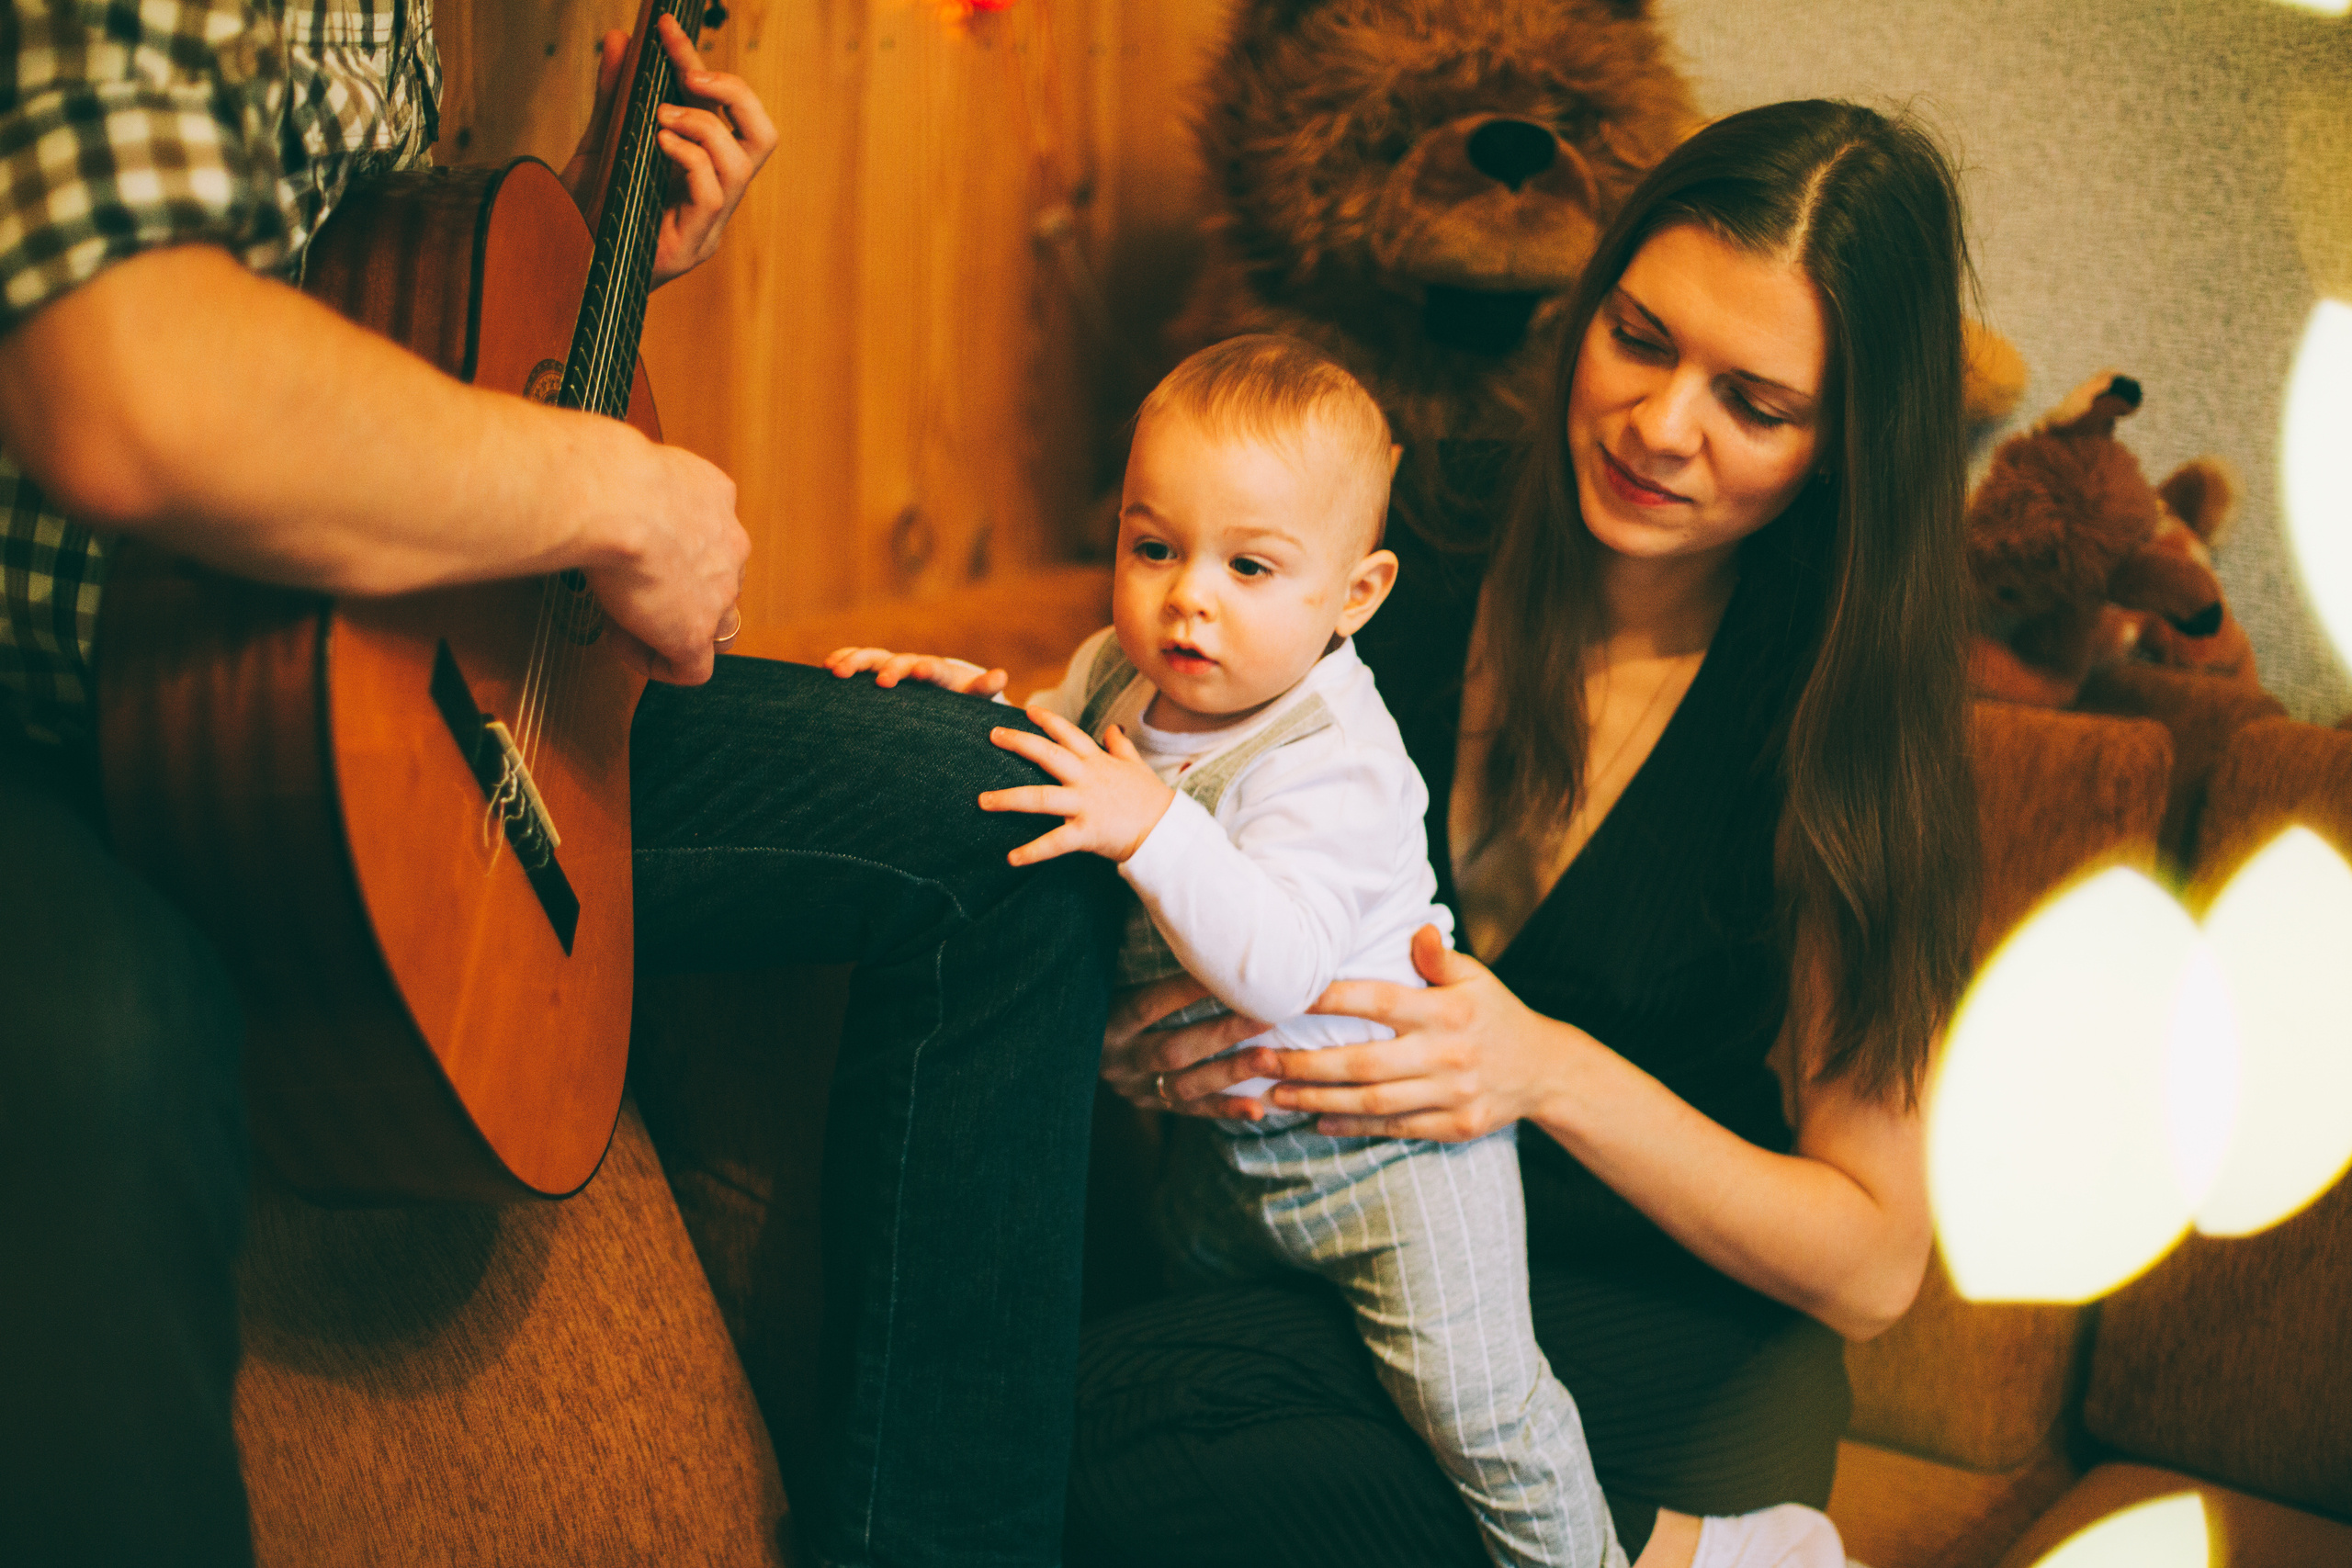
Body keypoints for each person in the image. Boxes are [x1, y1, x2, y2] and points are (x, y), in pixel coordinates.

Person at [0, 6, 1122, 1565]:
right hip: (80, 710)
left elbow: (347, 336)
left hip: (395, 670)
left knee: (1014, 828)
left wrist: (590, 245)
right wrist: (622, 497)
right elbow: (127, 377)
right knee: (102, 1040)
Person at [1066, 98, 1983, 1568]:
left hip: (1668, 1329)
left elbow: (1873, 1262)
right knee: (1078, 1404)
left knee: (1113, 1437)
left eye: (1755, 405)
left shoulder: (1841, 725)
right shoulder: (1389, 551)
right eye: (1640, 337)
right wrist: (1136, 1042)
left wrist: (1542, 1069)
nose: (1661, 426)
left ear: (1843, 445)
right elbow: (1147, 773)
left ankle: (1714, 1541)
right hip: (1352, 1246)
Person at [830, 333, 1625, 1567]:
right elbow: (1048, 774)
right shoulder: (1114, 674)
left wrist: (1149, 825)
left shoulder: (1341, 759)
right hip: (1220, 1163)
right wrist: (960, 711)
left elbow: (1282, 966)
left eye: (1251, 565)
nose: (1188, 596)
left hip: (1394, 1168)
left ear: (1353, 597)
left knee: (1484, 1411)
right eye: (1154, 548)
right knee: (1174, 1353)